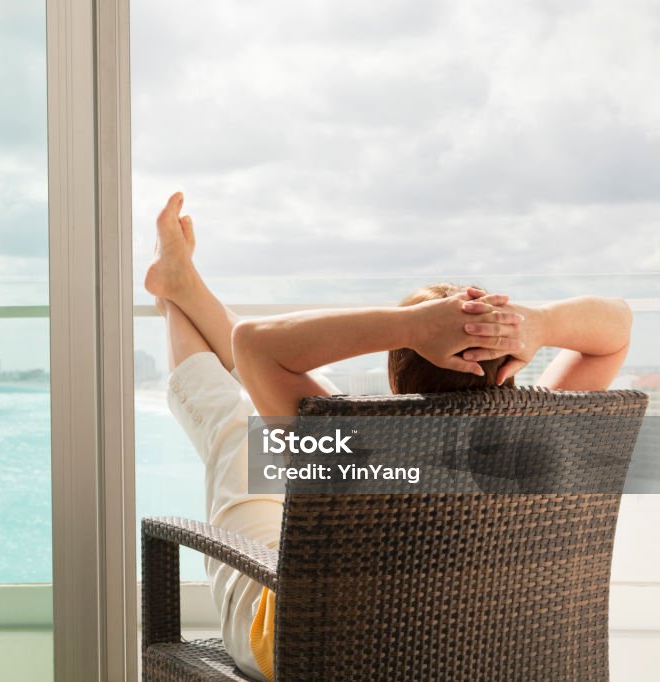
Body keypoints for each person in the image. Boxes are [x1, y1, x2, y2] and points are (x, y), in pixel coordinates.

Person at [145, 191, 633, 681]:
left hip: (305, 652)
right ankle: (181, 287)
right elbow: (617, 327)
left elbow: (253, 343)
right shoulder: (543, 437)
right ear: (506, 366)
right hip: (494, 654)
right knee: (312, 415)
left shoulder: (362, 446)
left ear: (397, 380)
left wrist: (412, 325)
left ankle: (174, 299)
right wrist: (540, 323)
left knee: (238, 430)